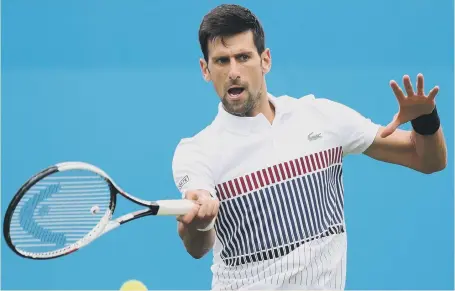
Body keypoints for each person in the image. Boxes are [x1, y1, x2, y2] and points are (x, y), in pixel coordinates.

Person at [172, 4, 447, 290]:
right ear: (205, 69)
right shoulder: (197, 151)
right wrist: (200, 221)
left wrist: (425, 120)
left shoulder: (321, 117)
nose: (233, 72)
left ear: (265, 60)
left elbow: (426, 159)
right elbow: (197, 246)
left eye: (243, 57)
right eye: (221, 61)